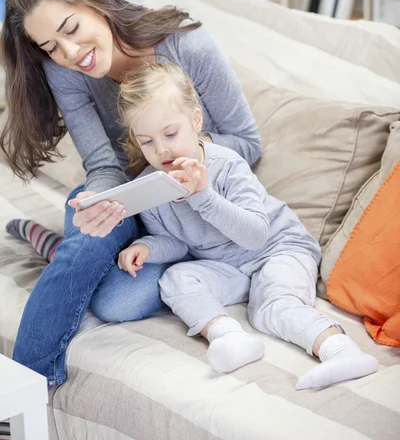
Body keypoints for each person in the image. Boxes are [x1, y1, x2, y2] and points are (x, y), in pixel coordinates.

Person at [0, 0, 261, 386]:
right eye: (49, 46)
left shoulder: (183, 45)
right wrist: (96, 203)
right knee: (86, 231)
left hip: (195, 207)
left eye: (70, 28)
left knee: (117, 303)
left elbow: (247, 143)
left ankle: (57, 248)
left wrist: (189, 161)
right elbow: (104, 165)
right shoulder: (64, 72)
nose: (68, 53)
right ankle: (23, 392)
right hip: (129, 198)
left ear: (95, 0)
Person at [117, 62, 378, 389]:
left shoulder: (225, 165)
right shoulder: (153, 187)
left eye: (170, 134)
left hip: (278, 250)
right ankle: (228, 337)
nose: (162, 150)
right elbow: (178, 244)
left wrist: (203, 196)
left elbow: (256, 235)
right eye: (147, 142)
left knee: (271, 306)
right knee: (176, 277)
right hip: (229, 266)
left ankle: (341, 352)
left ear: (195, 120)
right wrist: (146, 247)